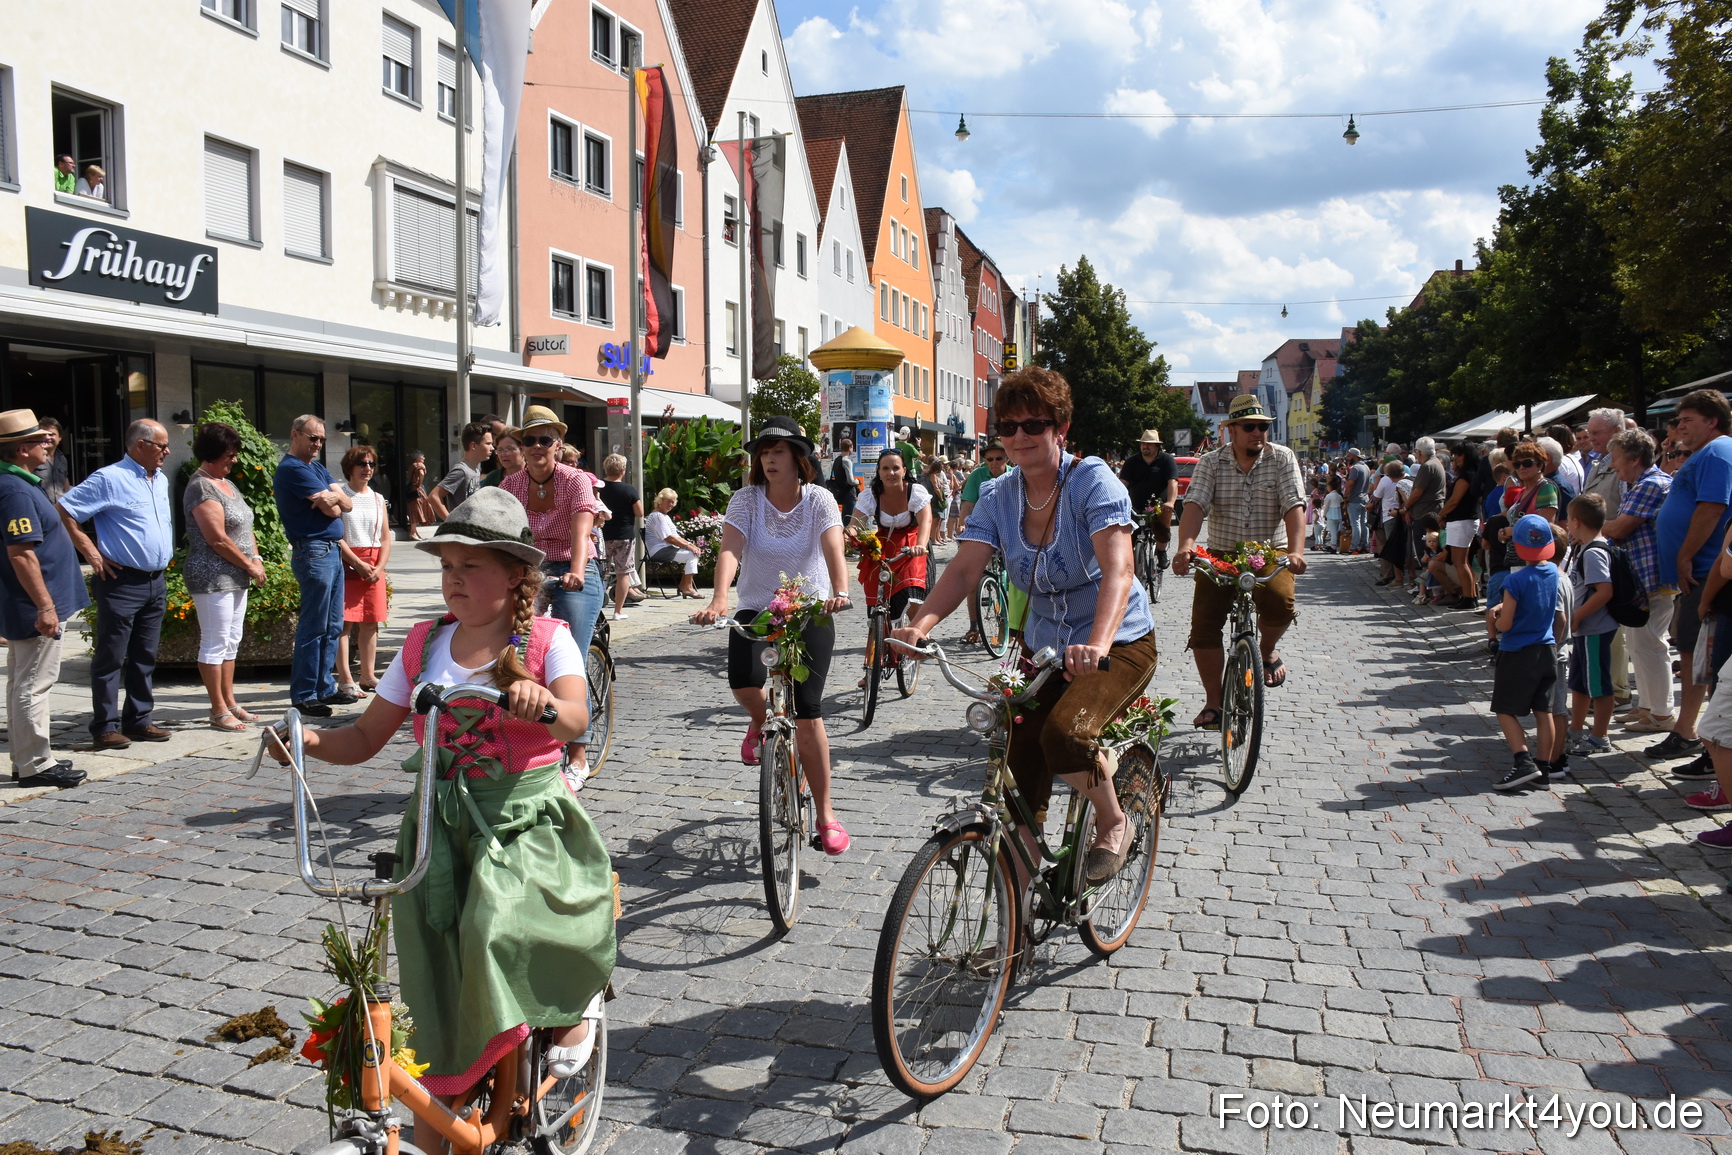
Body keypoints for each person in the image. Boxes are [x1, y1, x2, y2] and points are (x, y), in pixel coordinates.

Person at [271, 487, 612, 1127]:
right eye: (447, 566)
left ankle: (577, 999)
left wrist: (541, 701)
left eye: (470, 566)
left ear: (515, 575)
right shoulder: (424, 644)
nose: (454, 579)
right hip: (436, 826)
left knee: (496, 925)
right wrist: (308, 743)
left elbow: (575, 718)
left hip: (522, 820)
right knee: (433, 966)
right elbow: (367, 737)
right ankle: (457, 1090)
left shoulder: (547, 639)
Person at [890, 369, 1155, 884]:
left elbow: (1119, 570)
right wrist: (919, 625)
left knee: (1063, 736)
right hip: (1044, 645)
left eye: (1035, 423)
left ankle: (1113, 818)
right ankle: (1023, 895)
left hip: (1117, 640)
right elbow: (966, 567)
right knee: (1011, 749)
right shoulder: (997, 495)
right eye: (1008, 428)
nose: (1019, 437)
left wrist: (1096, 643)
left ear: (1062, 428)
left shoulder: (1091, 480)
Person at [691, 415, 854, 854]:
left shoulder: (819, 498)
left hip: (810, 607)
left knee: (808, 711)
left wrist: (840, 590)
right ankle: (761, 720)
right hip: (756, 606)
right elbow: (729, 547)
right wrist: (720, 598)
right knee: (744, 683)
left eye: (777, 451)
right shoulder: (746, 499)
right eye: (763, 452)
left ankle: (825, 814)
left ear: (799, 458)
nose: (768, 459)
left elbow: (832, 546)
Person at [1172, 393, 1307, 726]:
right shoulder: (1211, 462)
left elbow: (1294, 505)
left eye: (1262, 427)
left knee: (1280, 601)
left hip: (1268, 551)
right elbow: (1195, 506)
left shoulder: (1282, 458)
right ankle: (1214, 703)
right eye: (1249, 427)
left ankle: (1266, 649)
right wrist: (1186, 546)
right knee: (1204, 627)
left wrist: (1296, 551)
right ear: (1230, 429)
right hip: (1220, 552)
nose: (1257, 433)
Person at [500, 406, 607, 772]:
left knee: (568, 659)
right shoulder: (509, 486)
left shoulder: (575, 480)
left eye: (544, 439)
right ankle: (516, 737)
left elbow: (581, 535)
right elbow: (506, 537)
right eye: (528, 440)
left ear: (557, 444)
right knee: (511, 645)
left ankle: (577, 753)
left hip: (574, 568)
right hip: (531, 569)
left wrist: (577, 571)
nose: (536, 446)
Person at [57, 419, 175, 750]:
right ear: (141, 446)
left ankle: (139, 720)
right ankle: (105, 726)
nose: (167, 451)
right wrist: (92, 554)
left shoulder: (160, 478)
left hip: (155, 581)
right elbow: (65, 509)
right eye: (161, 445)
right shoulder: (110, 479)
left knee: (145, 656)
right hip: (121, 582)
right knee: (110, 657)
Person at [0, 411, 88, 787]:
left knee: (23, 682)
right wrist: (46, 606)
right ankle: (36, 764)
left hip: (30, 603)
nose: (47, 443)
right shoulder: (15, 489)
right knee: (34, 683)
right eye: (39, 440)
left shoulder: (19, 483)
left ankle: (28, 759)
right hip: (34, 606)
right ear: (22, 450)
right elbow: (21, 552)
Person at [1649, 389, 1732, 764]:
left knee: (1709, 662)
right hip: (1697, 574)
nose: (1679, 426)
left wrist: (1685, 555)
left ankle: (1713, 741)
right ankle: (1689, 731)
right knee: (1693, 655)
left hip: (1704, 572)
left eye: (1687, 419)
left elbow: (1712, 508)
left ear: (1712, 420)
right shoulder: (1705, 454)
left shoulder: (1718, 451)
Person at [183, 422, 266, 732]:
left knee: (232, 642)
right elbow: (217, 538)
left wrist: (255, 558)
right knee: (214, 642)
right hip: (212, 576)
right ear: (212, 454)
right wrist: (249, 565)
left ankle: (230, 702)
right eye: (229, 455)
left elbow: (244, 526)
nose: (234, 460)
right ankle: (217, 709)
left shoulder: (227, 484)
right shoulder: (200, 485)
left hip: (237, 574)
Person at [273, 414, 353, 717]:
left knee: (332, 625)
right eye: (313, 438)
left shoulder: (315, 467)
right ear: (296, 435)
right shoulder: (292, 469)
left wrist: (335, 499)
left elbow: (346, 504)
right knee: (314, 625)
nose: (318, 443)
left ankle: (324, 687)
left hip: (330, 550)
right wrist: (335, 502)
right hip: (313, 551)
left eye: (321, 439)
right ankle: (305, 693)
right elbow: (335, 511)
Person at [1604, 428, 1675, 734]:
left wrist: (1589, 524)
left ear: (1634, 458)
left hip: (1652, 579)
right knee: (1639, 644)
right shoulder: (1638, 484)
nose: (1612, 464)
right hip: (1640, 580)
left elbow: (1620, 528)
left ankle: (1662, 714)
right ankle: (1647, 706)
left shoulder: (1651, 483)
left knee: (1651, 644)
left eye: (1616, 457)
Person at [1492, 514, 1565, 790]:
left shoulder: (1515, 581)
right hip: (1546, 649)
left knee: (1504, 708)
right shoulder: (1554, 574)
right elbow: (1561, 620)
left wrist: (1494, 620)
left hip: (1517, 651)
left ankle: (1523, 761)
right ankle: (1544, 770)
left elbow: (1507, 623)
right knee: (1543, 711)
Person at [847, 449, 932, 639]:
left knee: (910, 584)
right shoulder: (871, 496)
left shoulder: (914, 492)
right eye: (885, 468)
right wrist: (847, 537)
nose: (890, 473)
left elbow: (926, 520)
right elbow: (855, 524)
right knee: (875, 578)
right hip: (884, 542)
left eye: (895, 468)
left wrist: (920, 545)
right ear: (878, 471)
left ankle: (920, 632)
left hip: (912, 541)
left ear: (904, 470)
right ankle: (879, 628)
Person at [1563, 494, 1618, 758]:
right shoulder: (1585, 547)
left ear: (1576, 522)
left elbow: (1604, 591)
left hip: (1594, 628)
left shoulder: (1594, 552)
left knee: (1599, 685)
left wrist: (1577, 616)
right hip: (1585, 631)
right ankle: (1575, 728)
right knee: (1580, 682)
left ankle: (1600, 736)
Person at [336, 444, 391, 698]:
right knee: (345, 624)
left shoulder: (378, 498)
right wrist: (356, 563)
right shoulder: (340, 493)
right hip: (349, 561)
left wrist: (379, 567)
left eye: (371, 464)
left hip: (373, 562)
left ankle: (368, 675)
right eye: (362, 464)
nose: (367, 469)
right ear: (350, 467)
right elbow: (336, 536)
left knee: (371, 621)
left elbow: (385, 537)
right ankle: (346, 678)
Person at [1119, 430, 1177, 569]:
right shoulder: (1132, 462)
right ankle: (1130, 564)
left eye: (1149, 444)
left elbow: (1172, 482)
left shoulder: (1166, 460)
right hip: (1136, 505)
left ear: (1157, 446)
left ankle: (1161, 552)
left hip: (1159, 506)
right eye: (1143, 444)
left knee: (1162, 530)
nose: (1145, 446)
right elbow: (1122, 483)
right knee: (1128, 535)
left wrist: (1170, 502)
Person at [1436, 443, 1483, 610]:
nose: (1456, 458)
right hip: (1463, 521)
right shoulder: (1469, 475)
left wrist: (1441, 514)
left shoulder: (1465, 477)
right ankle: (1470, 595)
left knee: (1460, 562)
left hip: (1462, 521)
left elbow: (1455, 500)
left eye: (1459, 455)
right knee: (1462, 562)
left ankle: (1469, 597)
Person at [596, 454, 641, 620]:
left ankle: (596, 611)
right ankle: (618, 611)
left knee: (600, 573)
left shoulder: (599, 488)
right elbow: (640, 512)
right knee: (624, 572)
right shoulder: (629, 490)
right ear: (623, 470)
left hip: (603, 535)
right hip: (624, 535)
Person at [428, 422, 492, 521]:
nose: (492, 448)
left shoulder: (477, 469)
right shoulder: (461, 471)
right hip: (460, 533)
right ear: (473, 446)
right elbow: (434, 496)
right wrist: (451, 523)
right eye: (488, 444)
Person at [644, 489, 701, 599]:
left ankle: (683, 586)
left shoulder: (664, 516)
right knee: (691, 555)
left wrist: (691, 545)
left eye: (673, 502)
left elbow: (676, 537)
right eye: (668, 501)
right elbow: (669, 538)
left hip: (666, 549)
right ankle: (687, 588)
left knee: (693, 552)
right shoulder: (657, 516)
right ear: (660, 501)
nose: (671, 504)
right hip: (658, 551)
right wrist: (689, 547)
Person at [1343, 448, 1372, 553]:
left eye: (1349, 456)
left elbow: (1351, 484)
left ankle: (1354, 547)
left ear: (1354, 456)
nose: (1347, 458)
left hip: (1354, 499)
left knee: (1355, 524)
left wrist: (1345, 496)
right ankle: (1365, 545)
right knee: (1364, 523)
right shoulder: (1366, 467)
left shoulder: (1355, 468)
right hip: (1365, 498)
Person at [37, 418, 70, 504]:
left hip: (58, 510)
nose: (47, 437)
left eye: (51, 434)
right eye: (43, 434)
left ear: (60, 438)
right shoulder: (33, 458)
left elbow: (65, 481)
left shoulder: (62, 459)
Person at [826, 438, 858, 520]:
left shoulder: (837, 460)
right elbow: (850, 481)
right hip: (848, 493)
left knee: (843, 518)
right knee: (848, 518)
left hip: (839, 492)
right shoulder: (846, 461)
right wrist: (857, 481)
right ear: (850, 447)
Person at [407, 450, 433, 538]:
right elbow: (421, 473)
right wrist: (420, 483)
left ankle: (414, 531)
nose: (424, 458)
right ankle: (413, 533)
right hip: (417, 489)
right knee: (417, 509)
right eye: (422, 456)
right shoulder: (419, 465)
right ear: (418, 457)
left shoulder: (412, 465)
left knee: (413, 510)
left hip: (411, 488)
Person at [1323, 475, 1343, 554]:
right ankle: (1333, 544)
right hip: (1338, 513)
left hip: (1331, 513)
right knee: (1335, 531)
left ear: (1330, 487)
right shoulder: (1338, 495)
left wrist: (1324, 514)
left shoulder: (1329, 496)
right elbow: (1341, 503)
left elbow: (1326, 506)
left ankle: (1333, 546)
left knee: (1333, 531)